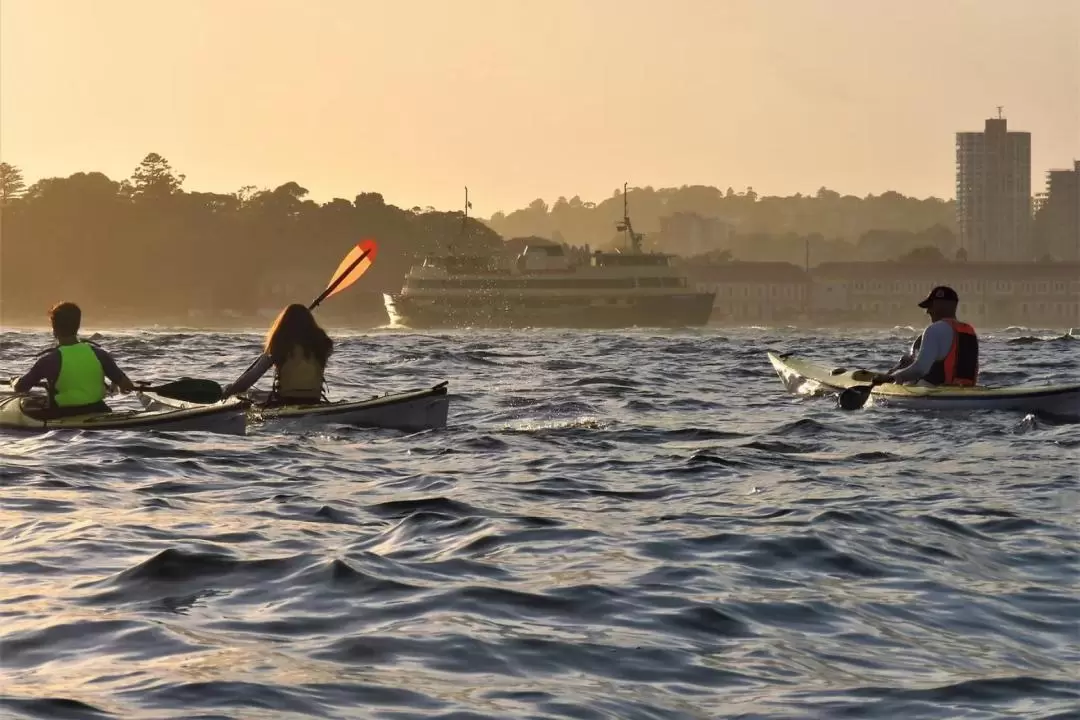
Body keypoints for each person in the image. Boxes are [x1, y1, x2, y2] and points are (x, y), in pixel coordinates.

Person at [13, 302, 137, 416]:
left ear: (54, 330)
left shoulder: (48, 360)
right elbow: (127, 386)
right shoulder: (99, 354)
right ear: (77, 327)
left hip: (62, 414)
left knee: (28, 403)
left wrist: (14, 381)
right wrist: (116, 383)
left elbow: (21, 387)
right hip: (98, 410)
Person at [222, 303, 332, 404]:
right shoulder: (323, 345)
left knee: (245, 394)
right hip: (314, 400)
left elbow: (253, 375)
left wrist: (231, 391)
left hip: (285, 400)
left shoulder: (279, 344)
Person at [878, 286, 979, 387]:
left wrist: (892, 377)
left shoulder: (934, 329)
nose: (927, 311)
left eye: (929, 306)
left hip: (936, 395)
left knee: (906, 380)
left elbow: (920, 369)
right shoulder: (970, 331)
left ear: (938, 305)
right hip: (967, 391)